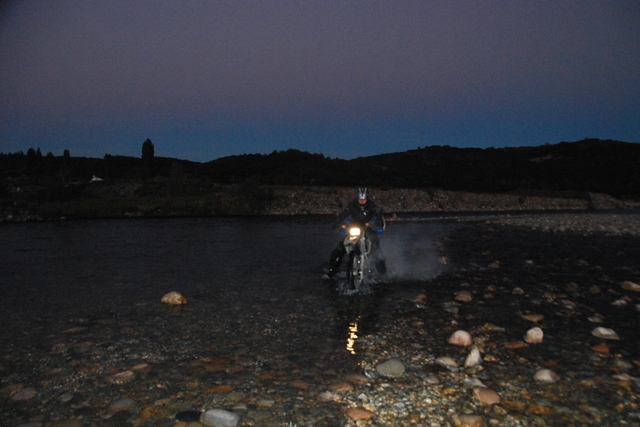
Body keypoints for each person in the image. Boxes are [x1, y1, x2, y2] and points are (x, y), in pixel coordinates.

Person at [326, 187, 386, 277]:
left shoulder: (373, 207)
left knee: (376, 249)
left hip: (368, 230)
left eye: (364, 200)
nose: (362, 201)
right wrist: (340, 224)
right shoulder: (351, 206)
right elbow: (344, 216)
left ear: (367, 198)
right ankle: (332, 269)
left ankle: (382, 273)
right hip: (354, 229)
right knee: (339, 248)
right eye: (360, 199)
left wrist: (374, 223)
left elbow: (378, 217)